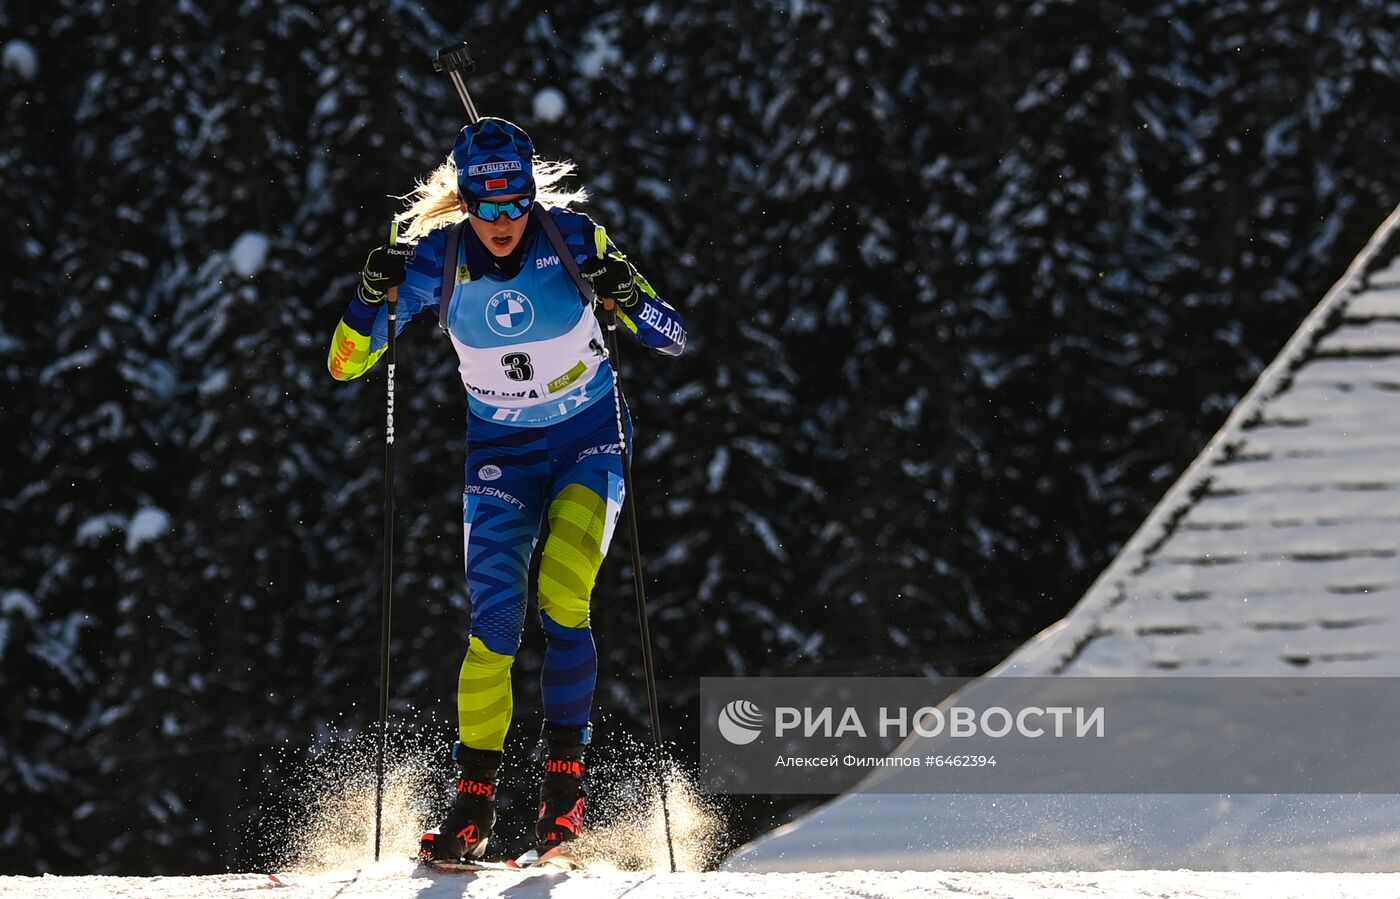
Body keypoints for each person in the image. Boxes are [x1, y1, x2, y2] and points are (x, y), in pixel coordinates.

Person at [327, 117, 686, 861]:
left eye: (513, 203)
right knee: (494, 622)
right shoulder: (437, 257)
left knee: (563, 595)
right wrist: (370, 296)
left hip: (588, 442)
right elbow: (345, 364)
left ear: (529, 195)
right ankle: (473, 806)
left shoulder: (577, 242)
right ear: (463, 202)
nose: (499, 221)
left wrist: (626, 294)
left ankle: (563, 790)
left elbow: (671, 335)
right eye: (483, 205)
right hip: (500, 453)